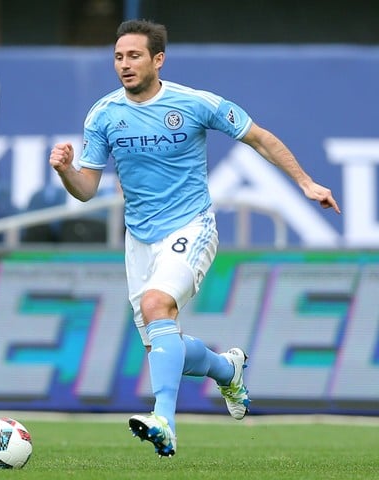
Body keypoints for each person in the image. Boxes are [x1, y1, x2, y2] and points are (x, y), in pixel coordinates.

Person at [49, 19, 341, 457]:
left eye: (134, 56)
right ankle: (228, 369)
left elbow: (258, 137)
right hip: (139, 239)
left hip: (191, 226)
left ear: (157, 59)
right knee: (162, 345)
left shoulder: (195, 103)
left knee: (155, 307)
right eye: (118, 56)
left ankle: (164, 420)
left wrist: (305, 182)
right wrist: (66, 171)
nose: (124, 65)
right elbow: (87, 189)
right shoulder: (103, 114)